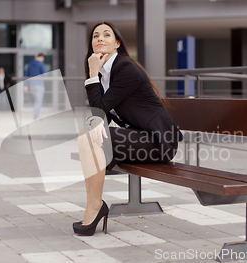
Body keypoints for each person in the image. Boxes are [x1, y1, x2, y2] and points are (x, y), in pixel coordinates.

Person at [73, 22, 183, 236]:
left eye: (106, 34)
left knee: (90, 138)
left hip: (159, 141)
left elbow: (99, 110)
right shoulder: (106, 73)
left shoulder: (125, 68)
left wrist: (92, 74)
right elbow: (99, 115)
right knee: (86, 137)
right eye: (95, 36)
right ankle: (94, 205)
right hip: (140, 138)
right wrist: (95, 75)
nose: (99, 38)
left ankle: (95, 208)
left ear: (117, 43)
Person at [24, 53, 47, 120]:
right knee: (38, 101)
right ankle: (36, 116)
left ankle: (36, 115)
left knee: (36, 100)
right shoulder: (41, 64)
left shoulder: (30, 64)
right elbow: (45, 75)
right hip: (39, 85)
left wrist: (25, 85)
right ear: (41, 57)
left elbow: (26, 75)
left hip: (32, 85)